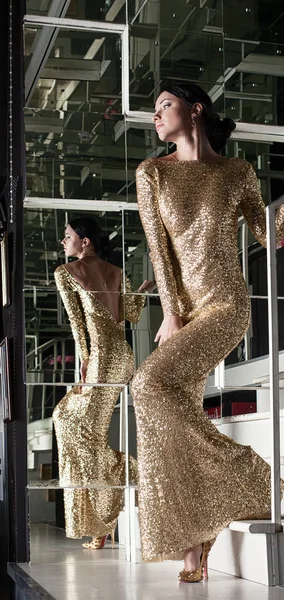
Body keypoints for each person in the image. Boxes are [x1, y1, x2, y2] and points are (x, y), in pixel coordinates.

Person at [132, 81, 284, 581]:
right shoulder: (152, 173)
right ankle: (194, 540)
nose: (156, 116)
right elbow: (160, 250)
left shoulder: (235, 172)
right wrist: (172, 313)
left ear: (195, 110)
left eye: (165, 106)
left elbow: (267, 231)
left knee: (148, 386)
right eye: (155, 110)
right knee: (170, 403)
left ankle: (249, 475)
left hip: (226, 305)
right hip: (185, 311)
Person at [53, 217, 155, 550]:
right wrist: (140, 293)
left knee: (71, 424)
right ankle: (108, 511)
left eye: (67, 236)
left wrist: (85, 362)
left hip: (99, 357)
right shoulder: (115, 271)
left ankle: (133, 479)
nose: (62, 242)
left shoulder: (65, 272)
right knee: (74, 425)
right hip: (121, 355)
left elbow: (77, 323)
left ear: (85, 242)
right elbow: (130, 314)